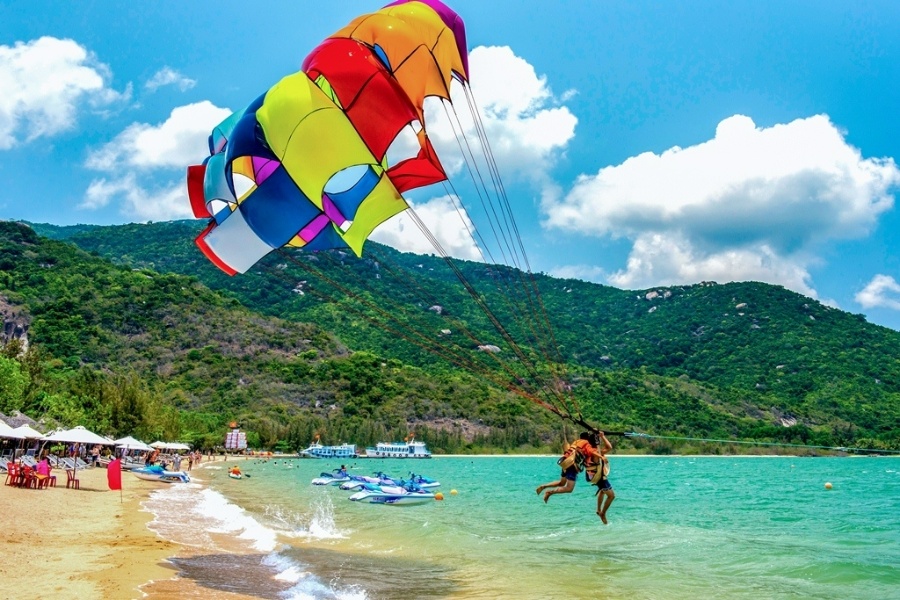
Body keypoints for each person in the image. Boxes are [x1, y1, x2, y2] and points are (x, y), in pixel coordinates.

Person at [536, 431, 600, 503]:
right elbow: (591, 453)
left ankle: (543, 486)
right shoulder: (586, 443)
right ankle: (549, 492)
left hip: (565, 462)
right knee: (569, 488)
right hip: (572, 465)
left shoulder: (576, 442)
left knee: (561, 483)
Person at [585, 432, 615, 524]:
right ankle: (603, 513)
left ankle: (598, 509)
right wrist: (602, 436)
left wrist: (600, 436)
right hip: (600, 478)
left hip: (592, 476)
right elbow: (609, 447)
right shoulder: (597, 453)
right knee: (611, 496)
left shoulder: (587, 451)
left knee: (602, 491)